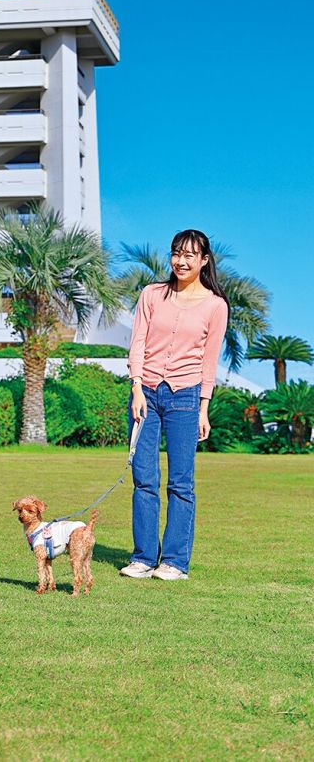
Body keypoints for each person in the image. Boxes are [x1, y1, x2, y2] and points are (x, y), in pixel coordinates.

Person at [120, 229, 229, 581]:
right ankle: (143, 557)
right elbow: (137, 342)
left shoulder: (215, 306)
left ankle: (175, 562)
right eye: (176, 254)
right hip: (146, 393)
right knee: (144, 477)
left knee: (181, 483)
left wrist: (203, 408)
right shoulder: (152, 295)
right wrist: (136, 387)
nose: (181, 261)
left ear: (204, 260)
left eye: (189, 256)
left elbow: (209, 361)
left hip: (185, 395)